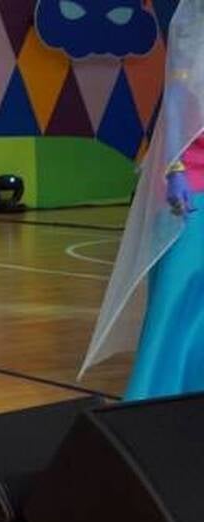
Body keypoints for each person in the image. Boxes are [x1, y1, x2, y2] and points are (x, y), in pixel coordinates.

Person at [82, 2, 204, 398]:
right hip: (190, 179)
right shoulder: (191, 46)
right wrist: (175, 170)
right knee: (176, 291)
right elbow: (174, 109)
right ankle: (156, 392)